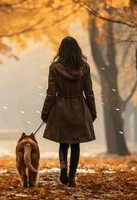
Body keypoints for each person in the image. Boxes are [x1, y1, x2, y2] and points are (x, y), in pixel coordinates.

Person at [41, 36, 97, 187]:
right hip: (79, 108)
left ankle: (63, 166)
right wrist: (92, 111)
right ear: (77, 50)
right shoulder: (84, 67)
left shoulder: (54, 68)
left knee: (63, 143)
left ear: (61, 49)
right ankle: (72, 177)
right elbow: (89, 92)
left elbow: (51, 93)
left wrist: (45, 112)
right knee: (76, 145)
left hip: (61, 109)